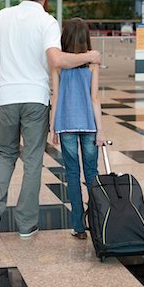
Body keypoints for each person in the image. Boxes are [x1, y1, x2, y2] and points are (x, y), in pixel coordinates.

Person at [0, 0, 101, 239]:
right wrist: (89, 56)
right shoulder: (48, 22)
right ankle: (26, 225)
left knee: (5, 153)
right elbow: (57, 61)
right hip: (35, 99)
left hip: (8, 97)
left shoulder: (3, 15)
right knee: (33, 161)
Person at [50, 18, 105, 240]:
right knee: (92, 173)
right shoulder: (92, 64)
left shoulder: (58, 65)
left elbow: (55, 96)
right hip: (89, 125)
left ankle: (78, 227)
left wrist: (53, 127)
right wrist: (101, 130)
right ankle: (97, 221)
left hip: (66, 125)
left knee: (72, 174)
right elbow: (95, 98)